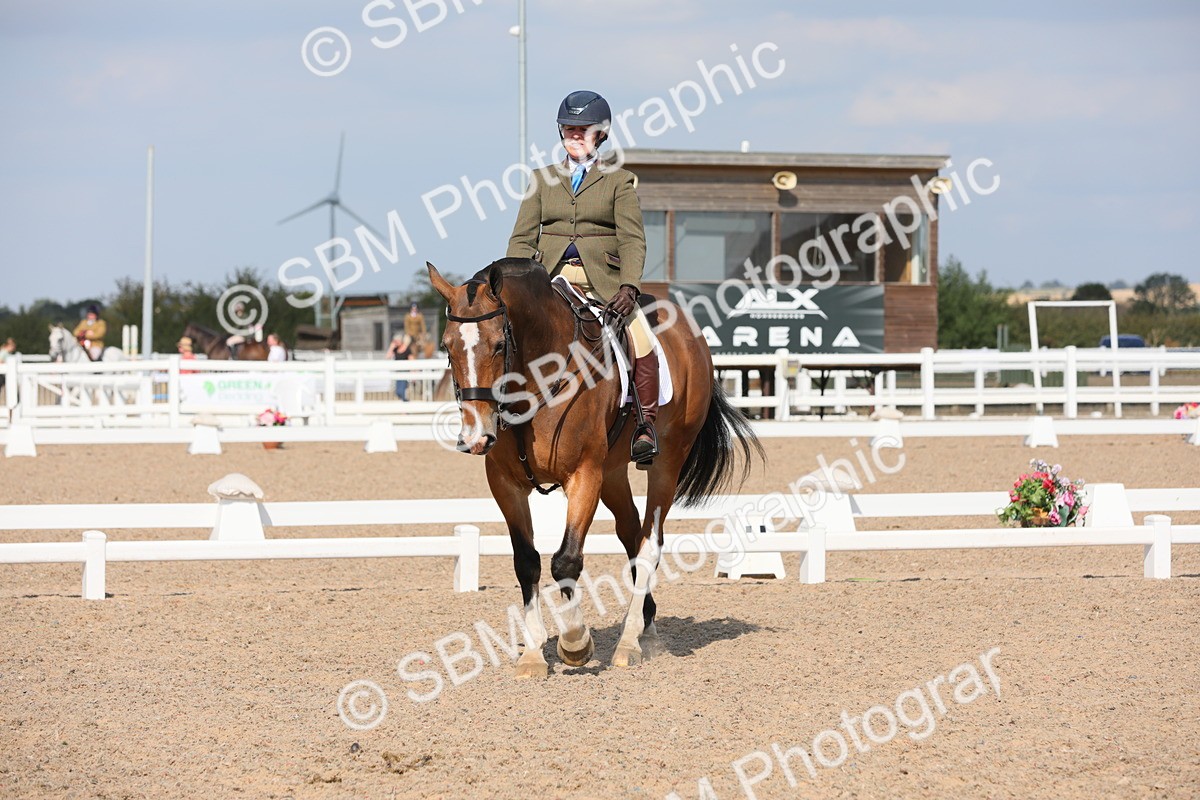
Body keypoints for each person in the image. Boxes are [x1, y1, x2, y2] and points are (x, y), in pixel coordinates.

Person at [506, 89, 658, 464]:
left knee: (642, 339)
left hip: (602, 282)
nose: (575, 135)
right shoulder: (540, 179)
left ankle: (645, 425)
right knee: (506, 334)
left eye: (584, 130)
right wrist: (515, 286)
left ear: (600, 134)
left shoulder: (619, 181)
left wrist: (629, 287)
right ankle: (499, 416)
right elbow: (522, 238)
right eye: (569, 129)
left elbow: (632, 240)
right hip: (549, 280)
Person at [386, 333, 413, 400]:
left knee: (402, 391)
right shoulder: (395, 349)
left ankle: (405, 403)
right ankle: (405, 402)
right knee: (398, 392)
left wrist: (413, 372)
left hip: (405, 373)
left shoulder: (407, 349)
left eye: (396, 341)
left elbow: (411, 360)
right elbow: (387, 357)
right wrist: (391, 347)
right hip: (398, 373)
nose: (396, 343)